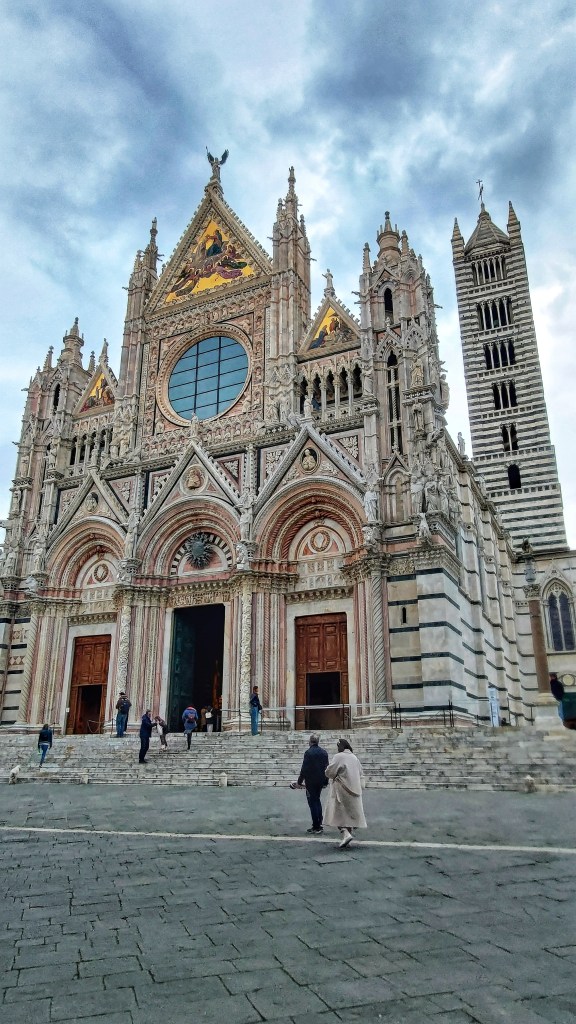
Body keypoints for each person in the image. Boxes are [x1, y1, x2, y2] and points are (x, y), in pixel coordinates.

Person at [324, 738, 367, 849]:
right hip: (355, 789)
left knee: (338, 813)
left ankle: (346, 834)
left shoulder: (339, 756)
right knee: (349, 814)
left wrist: (328, 773)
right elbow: (361, 773)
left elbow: (330, 772)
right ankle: (346, 836)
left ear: (341, 746)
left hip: (341, 789)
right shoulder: (354, 758)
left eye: (338, 746)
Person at [295, 734, 329, 834]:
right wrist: (325, 781)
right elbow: (326, 768)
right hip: (320, 781)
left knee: (312, 803)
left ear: (310, 741)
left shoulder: (308, 753)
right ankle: (319, 823)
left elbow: (304, 769)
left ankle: (316, 826)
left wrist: (299, 782)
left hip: (310, 782)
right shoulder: (324, 752)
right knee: (317, 800)